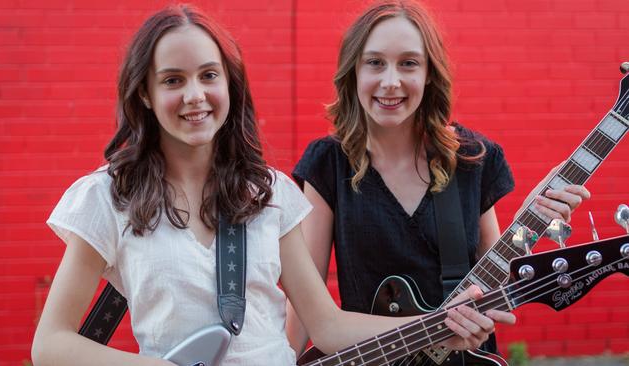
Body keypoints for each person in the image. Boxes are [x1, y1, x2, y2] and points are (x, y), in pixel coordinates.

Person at [30, 4, 515, 366]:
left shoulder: (268, 192)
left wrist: (438, 328)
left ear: (229, 86)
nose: (195, 95)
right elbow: (50, 342)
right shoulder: (108, 197)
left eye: (209, 76)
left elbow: (328, 324)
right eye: (173, 80)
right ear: (145, 93)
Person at [286, 0, 591, 360]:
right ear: (353, 70)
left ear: (430, 72)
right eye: (375, 62)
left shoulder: (470, 158)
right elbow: (306, 308)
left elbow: (497, 281)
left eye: (409, 63)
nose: (390, 81)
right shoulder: (328, 163)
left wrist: (529, 220)